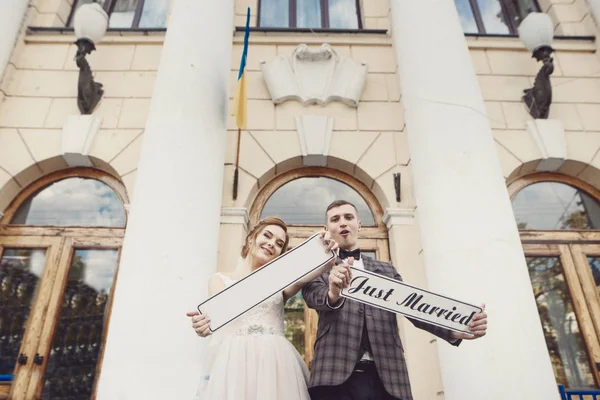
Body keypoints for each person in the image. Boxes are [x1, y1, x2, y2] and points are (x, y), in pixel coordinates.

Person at [303, 200, 488, 400]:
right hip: (334, 376)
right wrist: (333, 291)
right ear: (326, 229)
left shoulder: (387, 270)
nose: (343, 223)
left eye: (348, 217)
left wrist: (454, 328)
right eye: (335, 219)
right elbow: (315, 298)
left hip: (388, 377)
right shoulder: (317, 268)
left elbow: (414, 309)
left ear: (359, 225)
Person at [186, 217, 337, 400]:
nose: (272, 243)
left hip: (274, 364)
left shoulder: (280, 282)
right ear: (252, 238)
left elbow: (301, 278)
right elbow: (214, 318)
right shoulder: (218, 279)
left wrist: (323, 254)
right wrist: (202, 325)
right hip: (234, 363)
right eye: (267, 235)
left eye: (279, 243)